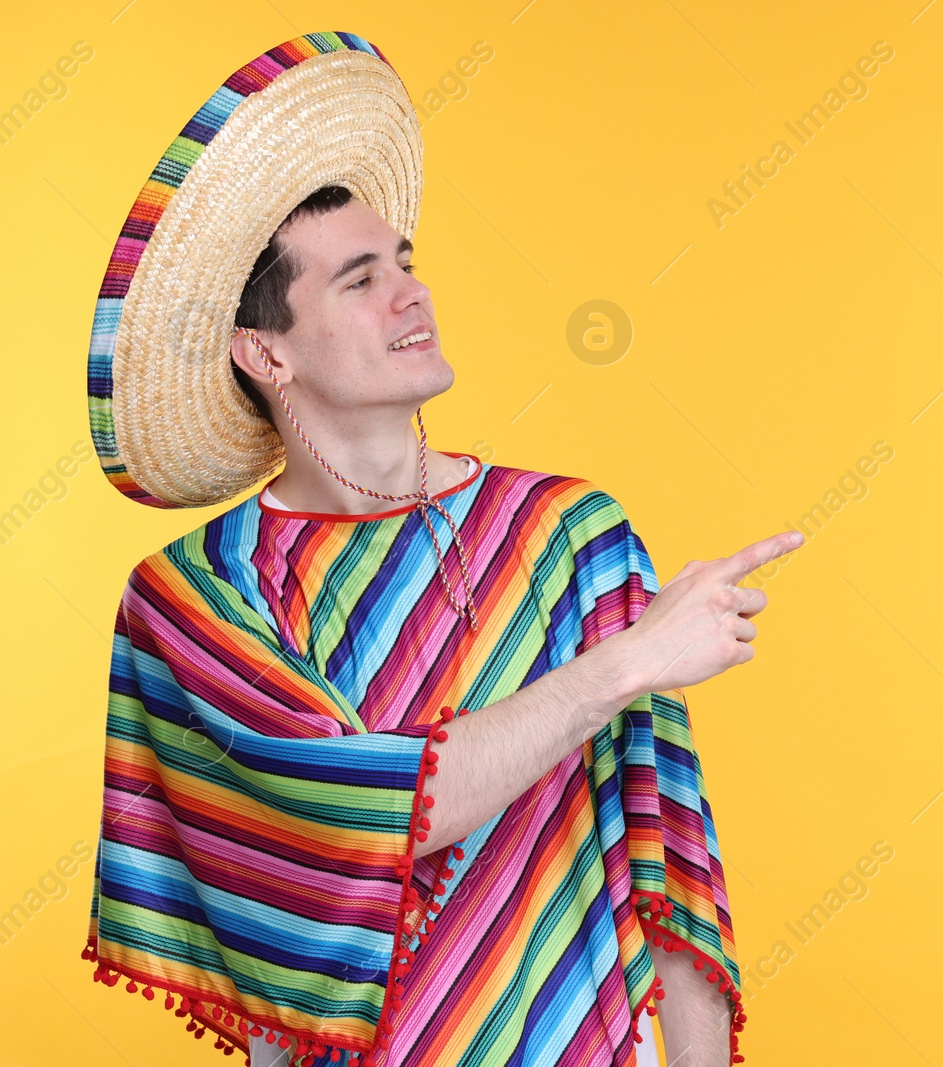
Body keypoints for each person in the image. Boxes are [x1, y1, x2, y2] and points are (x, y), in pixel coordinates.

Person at [80, 31, 798, 1067]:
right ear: (266, 349)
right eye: (360, 279)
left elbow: (666, 857)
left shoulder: (567, 537)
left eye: (406, 265)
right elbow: (362, 818)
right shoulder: (192, 598)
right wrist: (630, 661)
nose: (412, 295)